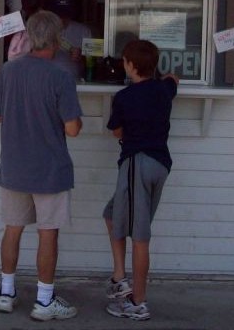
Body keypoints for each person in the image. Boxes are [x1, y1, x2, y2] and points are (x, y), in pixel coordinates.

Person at [0, 10, 84, 321]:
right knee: (47, 233)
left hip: (14, 165)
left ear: (30, 36)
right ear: (57, 39)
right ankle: (44, 301)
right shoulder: (60, 77)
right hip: (50, 170)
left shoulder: (8, 71)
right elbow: (72, 128)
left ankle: (6, 293)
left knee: (12, 230)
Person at [102, 39, 177, 321]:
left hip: (137, 163)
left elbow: (117, 132)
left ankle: (138, 301)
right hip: (159, 164)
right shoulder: (165, 90)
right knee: (111, 214)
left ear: (130, 65)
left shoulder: (123, 97)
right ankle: (120, 277)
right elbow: (173, 79)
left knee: (140, 236)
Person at [47, 0, 92, 78]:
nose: (62, 19)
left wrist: (81, 58)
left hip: (74, 83)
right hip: (46, 81)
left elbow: (92, 64)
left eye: (66, 15)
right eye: (58, 15)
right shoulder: (41, 30)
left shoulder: (84, 31)